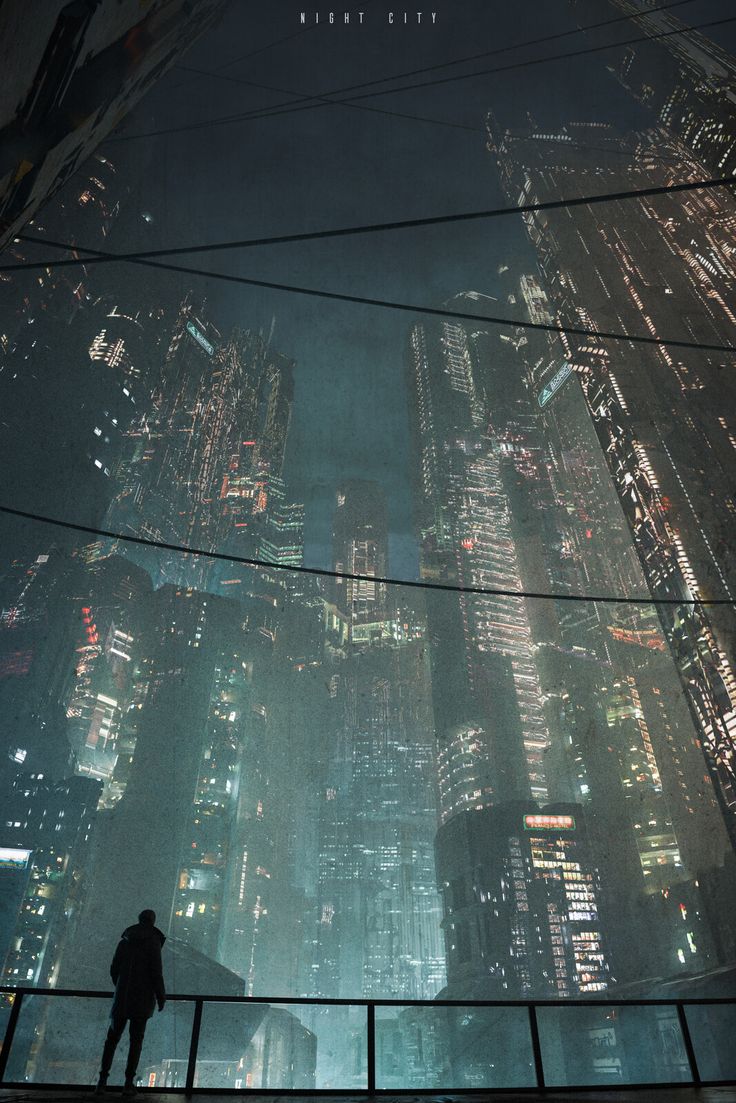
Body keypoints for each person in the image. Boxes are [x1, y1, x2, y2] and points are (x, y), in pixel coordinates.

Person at [95, 909, 166, 1097]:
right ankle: (128, 1083)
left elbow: (114, 969)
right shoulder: (153, 943)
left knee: (112, 1039)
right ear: (152, 922)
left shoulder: (124, 942)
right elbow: (156, 973)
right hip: (142, 999)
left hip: (122, 997)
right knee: (136, 1041)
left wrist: (121, 986)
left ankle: (102, 1082)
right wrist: (160, 996)